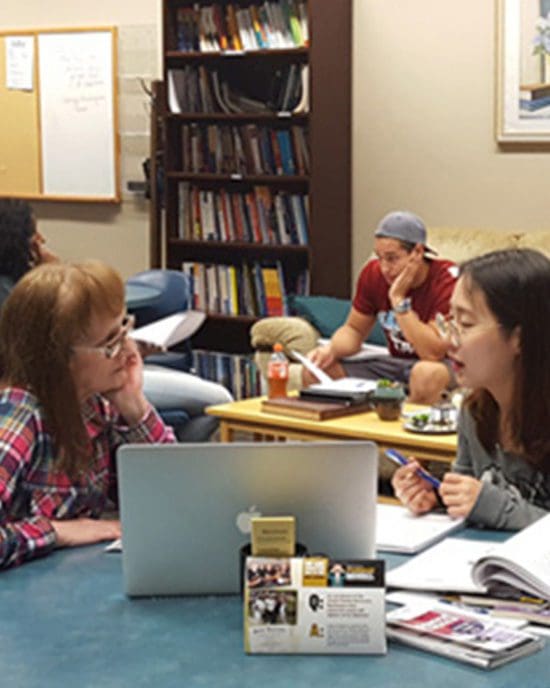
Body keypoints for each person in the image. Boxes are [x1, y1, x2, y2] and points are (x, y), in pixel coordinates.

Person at [0, 199, 233, 441]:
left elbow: (165, 469)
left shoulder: (100, 409)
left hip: (89, 381)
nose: (43, 243)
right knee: (218, 399)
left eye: (123, 331)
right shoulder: (23, 420)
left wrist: (133, 403)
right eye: (36, 238)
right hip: (71, 384)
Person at [0, 260, 176, 569]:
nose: (127, 350)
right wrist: (55, 531)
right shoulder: (20, 416)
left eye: (125, 327)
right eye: (110, 343)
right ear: (58, 360)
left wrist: (134, 406)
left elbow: (174, 500)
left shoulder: (96, 406)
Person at [392, 248, 550, 530]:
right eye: (449, 321)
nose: (449, 341)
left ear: (520, 338)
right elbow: (473, 501)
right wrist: (439, 498)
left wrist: (493, 507)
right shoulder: (474, 410)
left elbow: (493, 507)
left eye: (465, 324)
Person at [305, 211, 458, 403]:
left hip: (442, 364)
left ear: (418, 253)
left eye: (392, 258)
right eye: (380, 257)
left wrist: (399, 299)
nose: (384, 268)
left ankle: (399, 430)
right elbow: (354, 329)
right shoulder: (373, 274)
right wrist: (331, 350)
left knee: (425, 373)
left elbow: (432, 352)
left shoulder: (448, 281)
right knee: (316, 370)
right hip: (394, 362)